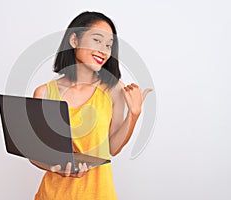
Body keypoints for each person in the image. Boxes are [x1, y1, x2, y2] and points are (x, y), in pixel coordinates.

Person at [30, 11, 152, 200]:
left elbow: (113, 148)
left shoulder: (114, 90)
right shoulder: (44, 93)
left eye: (109, 45)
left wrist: (134, 114)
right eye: (97, 40)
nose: (104, 51)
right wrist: (61, 169)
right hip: (52, 194)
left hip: (99, 193)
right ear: (74, 40)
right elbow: (36, 155)